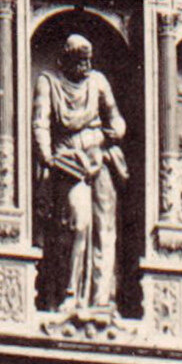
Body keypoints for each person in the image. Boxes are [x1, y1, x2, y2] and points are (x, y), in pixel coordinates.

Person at [36, 27, 130, 315]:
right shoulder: (48, 83)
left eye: (88, 61)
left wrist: (110, 133)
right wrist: (46, 156)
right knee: (79, 224)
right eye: (79, 61)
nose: (85, 67)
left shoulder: (98, 82)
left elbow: (117, 121)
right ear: (64, 61)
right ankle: (70, 293)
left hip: (99, 158)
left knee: (105, 227)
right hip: (68, 161)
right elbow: (40, 122)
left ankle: (101, 297)